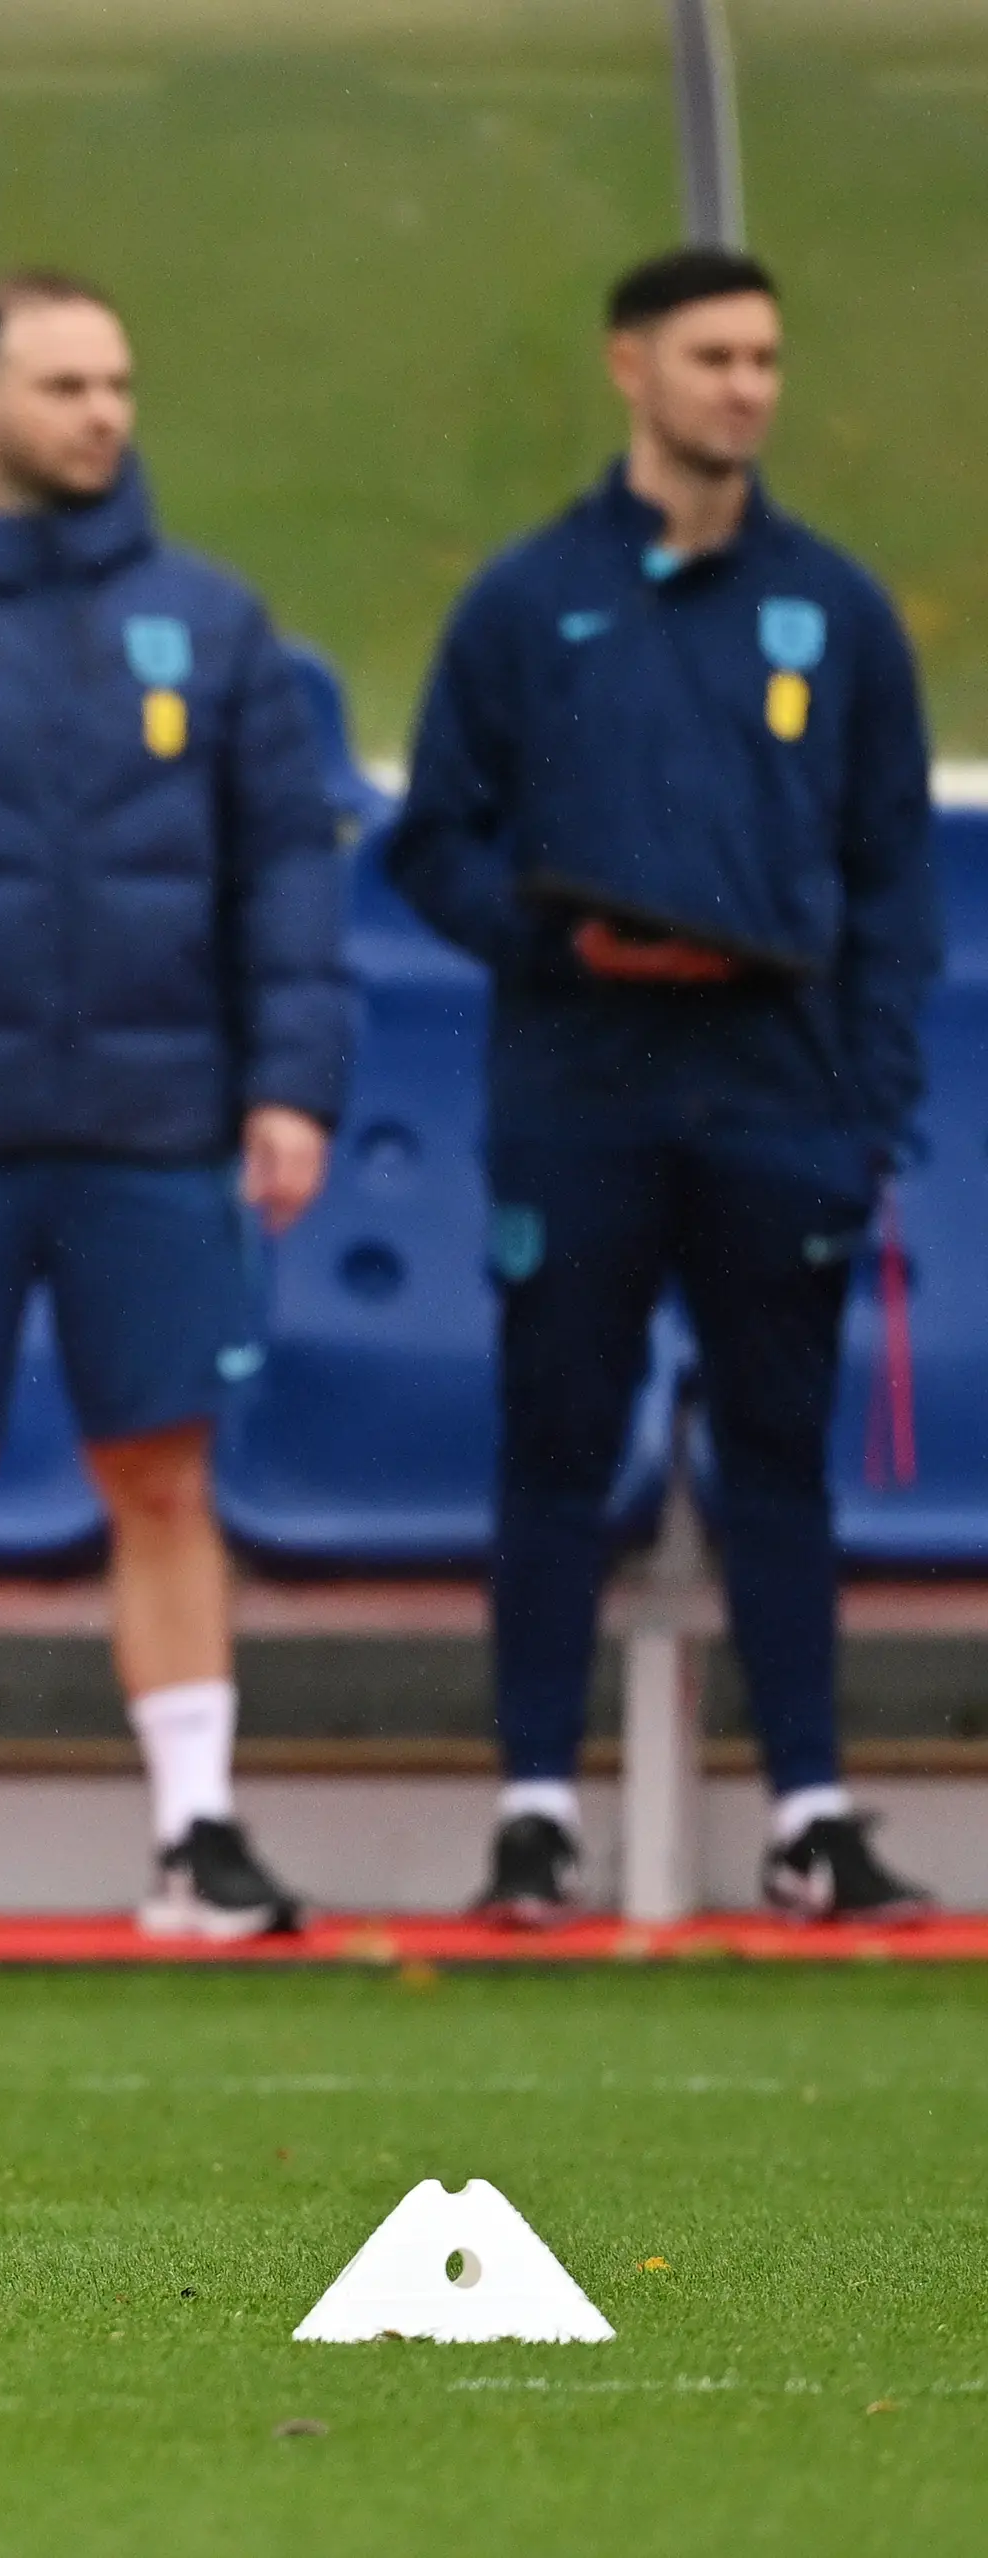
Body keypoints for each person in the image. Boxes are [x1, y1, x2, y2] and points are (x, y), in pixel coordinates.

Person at [0, 271, 350, 1940]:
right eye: (67, 385)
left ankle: (199, 1835)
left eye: (118, 384)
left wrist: (292, 1085)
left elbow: (283, 877)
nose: (104, 414)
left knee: (165, 1477)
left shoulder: (213, 623)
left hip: (158, 1128)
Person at [387, 247, 937, 1926]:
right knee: (558, 1444)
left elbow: (893, 879)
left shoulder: (837, 610)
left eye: (765, 358)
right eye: (713, 357)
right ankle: (536, 1810)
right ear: (631, 366)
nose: (746, 388)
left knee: (780, 1454)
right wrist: (560, 944)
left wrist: (869, 1103)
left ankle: (811, 1813)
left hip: (781, 1102)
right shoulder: (526, 600)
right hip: (581, 1093)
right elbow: (433, 841)